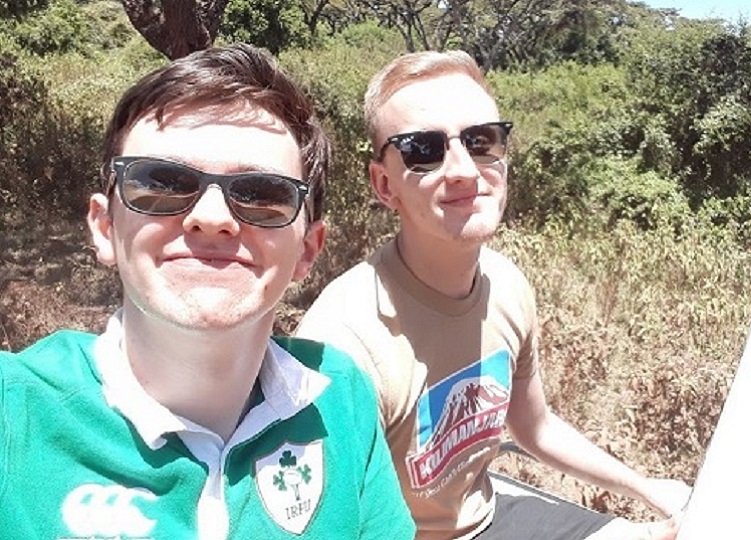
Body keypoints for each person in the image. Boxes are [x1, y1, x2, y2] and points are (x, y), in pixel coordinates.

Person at [0, 44, 414, 540]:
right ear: (105, 226)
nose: (213, 218)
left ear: (308, 248)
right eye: (161, 182)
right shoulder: (15, 413)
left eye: (262, 193)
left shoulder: (339, 398)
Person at [295, 50, 691, 540]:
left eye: (481, 141)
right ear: (384, 184)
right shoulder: (345, 344)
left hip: (490, 516)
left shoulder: (506, 286)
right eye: (424, 149)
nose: (463, 169)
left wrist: (648, 488)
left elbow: (535, 429)